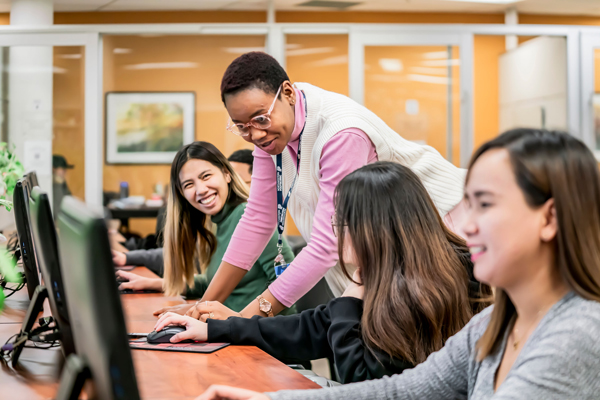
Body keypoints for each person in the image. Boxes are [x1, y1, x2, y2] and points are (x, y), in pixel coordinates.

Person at [195, 129, 600, 400]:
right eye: (469, 203)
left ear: (549, 219)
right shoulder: (496, 322)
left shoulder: (575, 333)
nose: (468, 225)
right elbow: (400, 392)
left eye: (487, 205)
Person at [159, 51, 469, 321]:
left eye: (260, 120)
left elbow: (324, 246)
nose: (254, 135)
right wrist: (204, 306)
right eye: (241, 127)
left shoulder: (341, 134)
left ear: (288, 93)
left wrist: (244, 320)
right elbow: (257, 220)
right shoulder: (271, 128)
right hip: (380, 249)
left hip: (440, 234)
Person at [154, 161, 491, 384]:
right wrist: (215, 329)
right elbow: (310, 328)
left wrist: (351, 295)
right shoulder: (392, 271)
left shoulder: (424, 288)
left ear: (374, 228)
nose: (334, 231)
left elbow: (360, 380)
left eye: (340, 221)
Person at [114, 141, 296, 316]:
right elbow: (212, 283)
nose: (200, 189)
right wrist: (156, 283)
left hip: (262, 337)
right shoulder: (216, 223)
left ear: (226, 174)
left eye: (206, 176)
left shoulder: (247, 217)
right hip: (235, 331)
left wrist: (240, 319)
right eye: (189, 184)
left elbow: (287, 283)